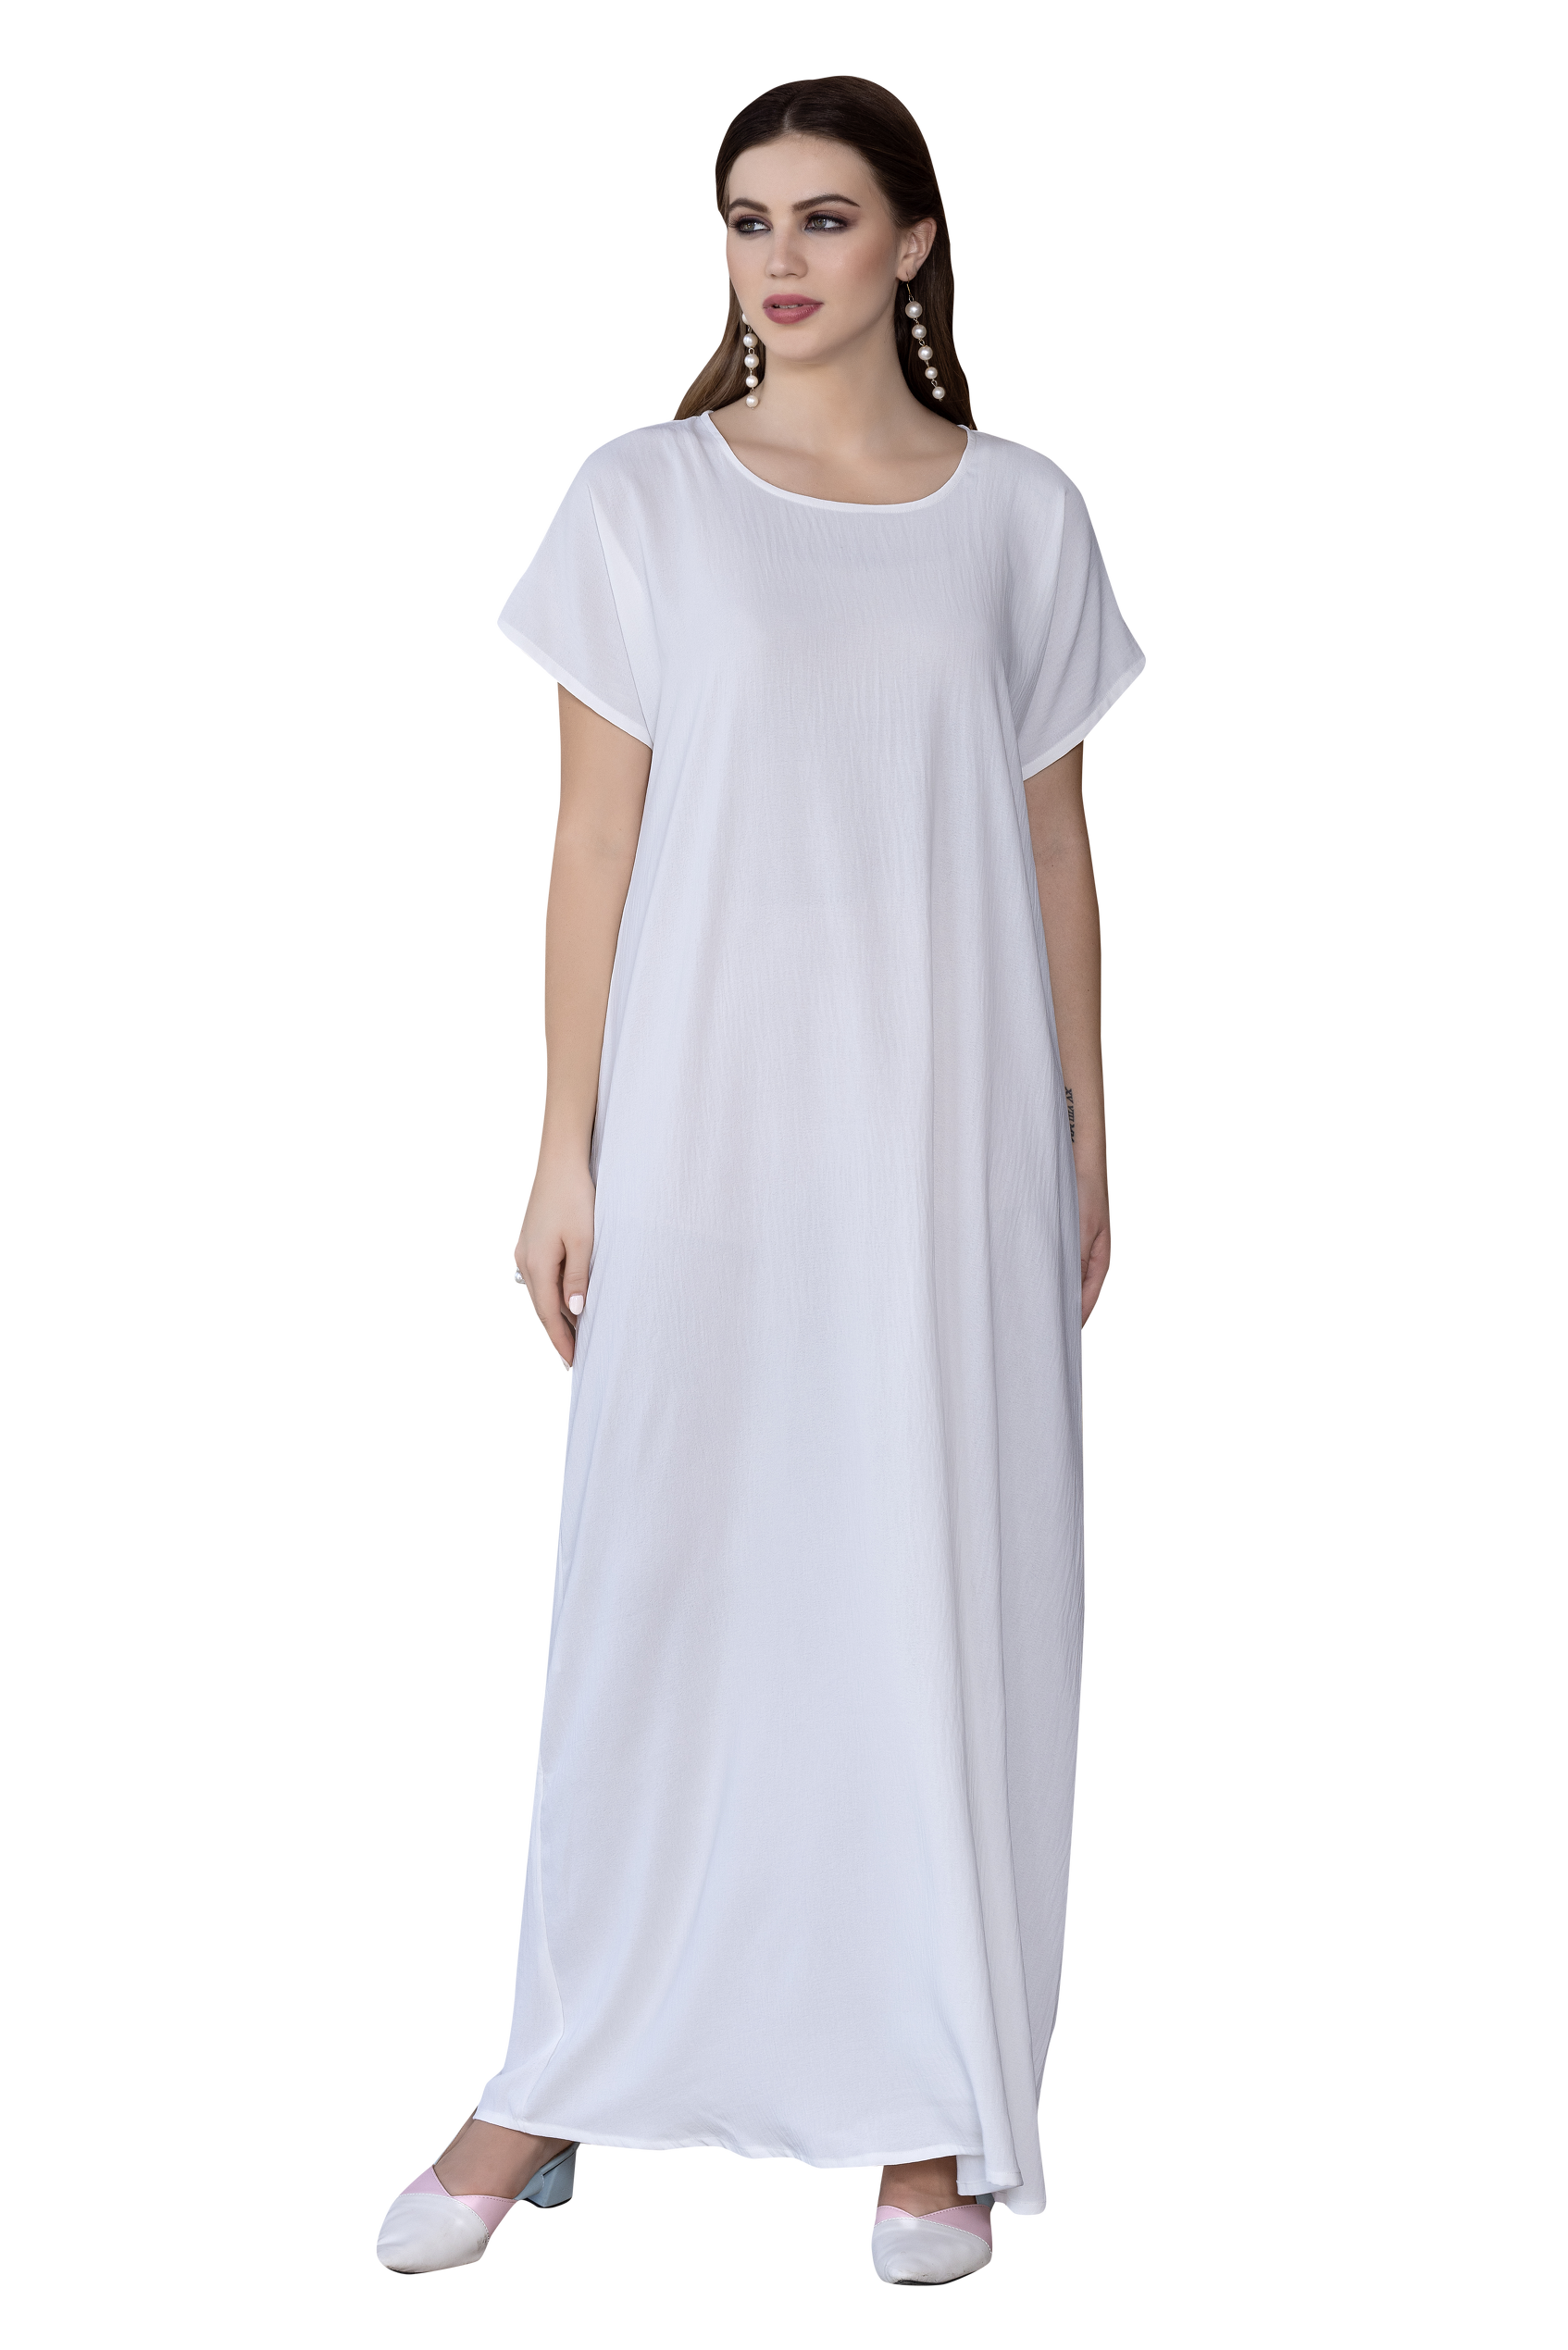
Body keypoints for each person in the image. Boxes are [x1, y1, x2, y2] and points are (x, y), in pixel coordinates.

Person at [375, 71, 1146, 2292]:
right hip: (710, 1123)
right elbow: (590, 841)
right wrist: (565, 1147)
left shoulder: (1021, 512)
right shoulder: (644, 495)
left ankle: (926, 2106)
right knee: (670, 1573)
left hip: (949, 1138)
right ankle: (556, 2073)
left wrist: (1083, 1135)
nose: (779, 258)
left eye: (822, 216)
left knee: (929, 1579)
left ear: (915, 240)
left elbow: (1053, 842)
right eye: (744, 219)